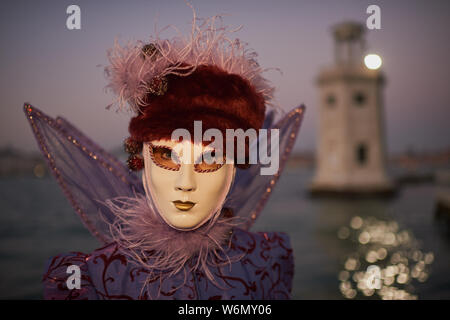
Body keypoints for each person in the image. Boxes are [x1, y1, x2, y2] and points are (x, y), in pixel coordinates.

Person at [25, 13, 305, 299]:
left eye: (208, 159)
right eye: (168, 156)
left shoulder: (266, 260)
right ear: (143, 159)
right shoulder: (92, 280)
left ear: (232, 170)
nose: (186, 183)